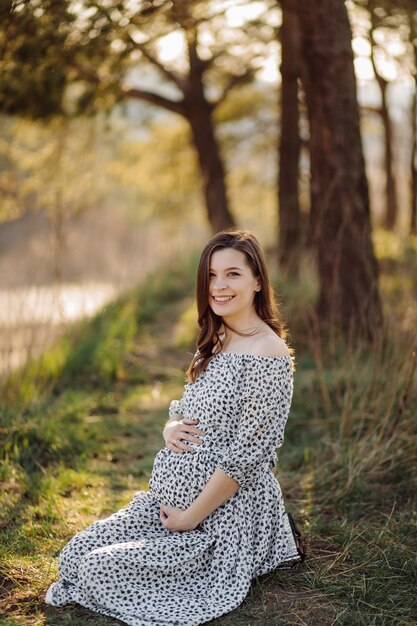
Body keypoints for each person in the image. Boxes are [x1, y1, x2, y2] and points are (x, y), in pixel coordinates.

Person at [45, 228, 302, 626]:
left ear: (257, 282)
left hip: (218, 518)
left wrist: (190, 517)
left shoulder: (267, 352)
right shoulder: (219, 339)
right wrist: (171, 427)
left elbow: (248, 456)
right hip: (168, 506)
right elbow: (187, 409)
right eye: (212, 275)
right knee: (74, 554)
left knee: (97, 570)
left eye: (233, 274)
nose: (219, 286)